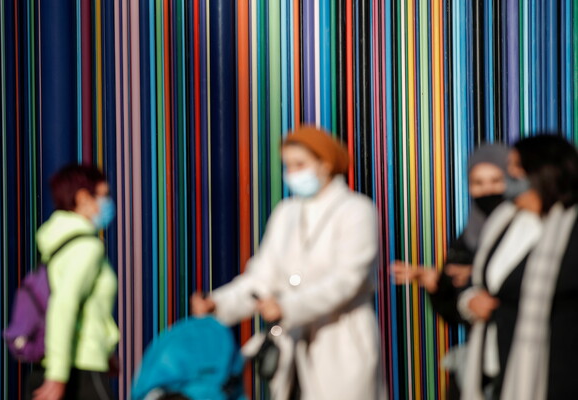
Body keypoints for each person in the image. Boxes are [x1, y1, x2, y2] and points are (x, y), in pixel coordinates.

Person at [191, 126, 385, 400]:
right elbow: (262, 276)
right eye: (288, 165)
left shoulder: (356, 210)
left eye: (300, 164)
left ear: (326, 164)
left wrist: (287, 306)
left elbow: (347, 281)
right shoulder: (286, 213)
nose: (292, 173)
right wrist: (219, 303)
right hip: (290, 345)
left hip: (341, 340)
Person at [459, 134, 578, 400]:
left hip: (554, 376)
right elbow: (481, 281)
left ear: (541, 171)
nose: (508, 174)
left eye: (515, 166)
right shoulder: (504, 219)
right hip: (495, 368)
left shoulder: (570, 227)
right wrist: (470, 300)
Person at [26, 165, 119, 400]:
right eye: (104, 195)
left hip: (55, 364)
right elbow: (64, 305)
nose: (108, 203)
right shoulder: (87, 248)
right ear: (83, 198)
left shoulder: (58, 243)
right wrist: (57, 376)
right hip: (80, 371)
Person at [392, 144, 509, 328]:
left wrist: (478, 273)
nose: (487, 190)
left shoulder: (530, 227)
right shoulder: (467, 238)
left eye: (496, 181)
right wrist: (438, 284)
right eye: (478, 183)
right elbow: (455, 313)